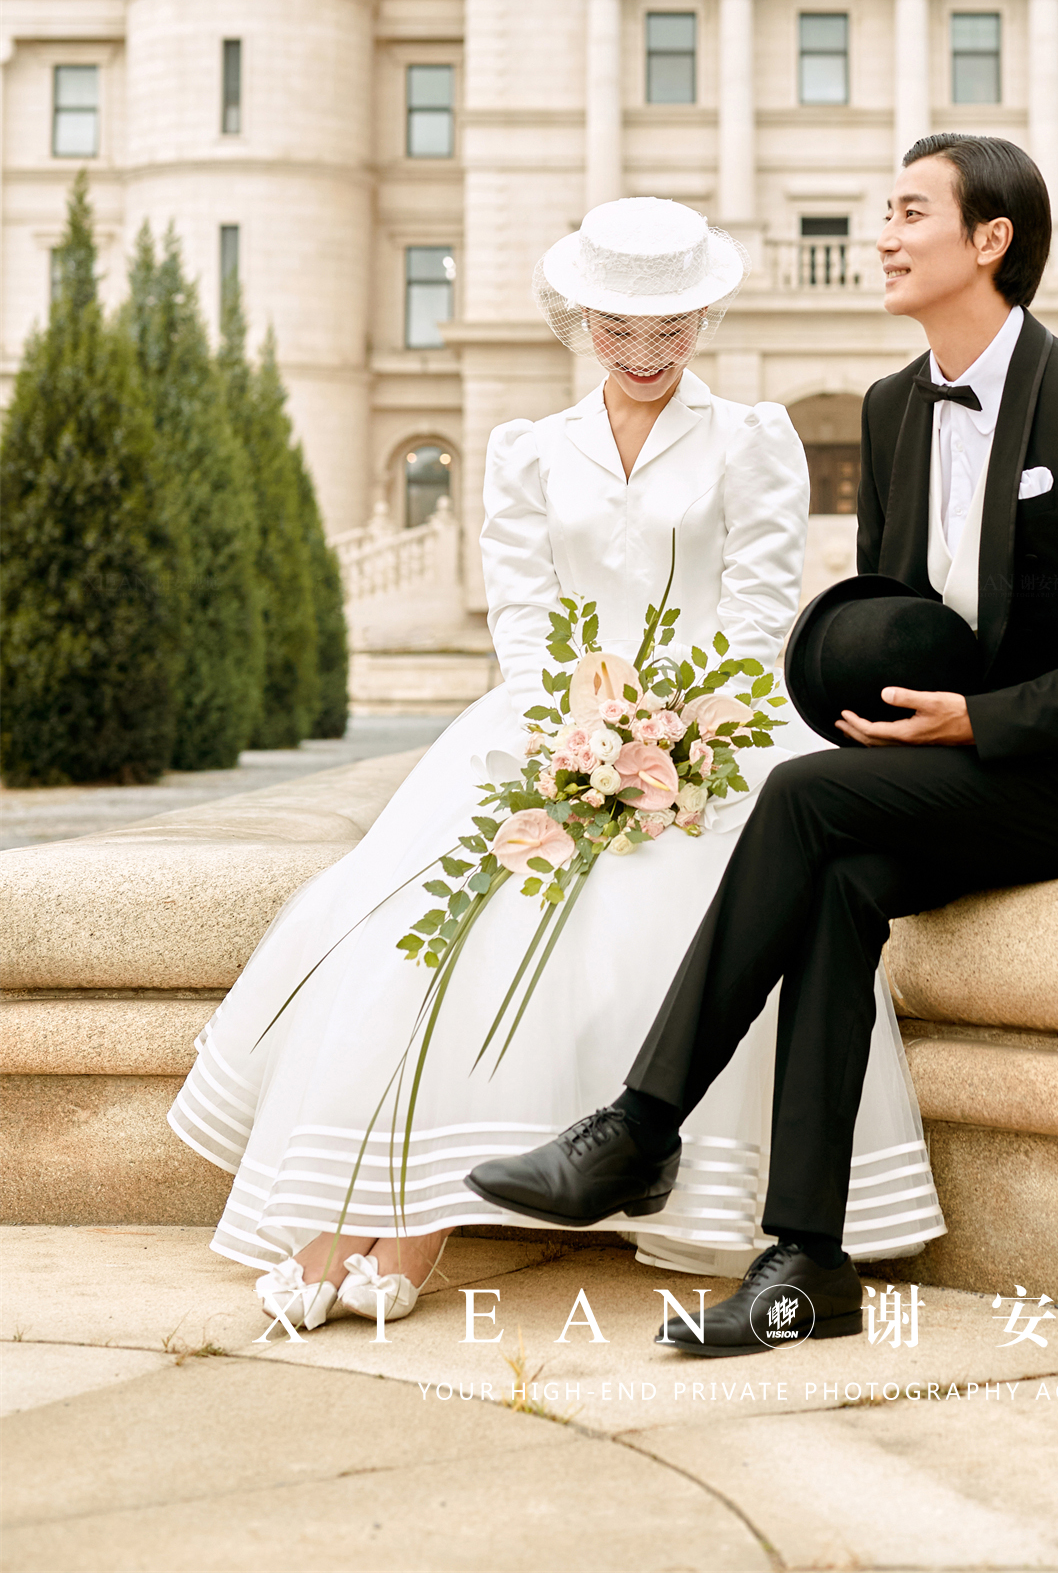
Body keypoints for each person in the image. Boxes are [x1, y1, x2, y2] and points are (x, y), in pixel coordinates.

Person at [468, 136, 1058, 1356]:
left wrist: (983, 719)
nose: (883, 237)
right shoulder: (893, 407)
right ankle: (808, 1261)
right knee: (836, 883)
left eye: (910, 213)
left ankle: (640, 1126)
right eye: (885, 214)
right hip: (951, 770)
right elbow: (895, 611)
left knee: (804, 804)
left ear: (989, 241)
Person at [169, 196, 943, 1335]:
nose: (644, 353)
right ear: (582, 319)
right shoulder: (527, 448)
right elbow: (526, 618)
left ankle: (419, 1229)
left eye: (668, 329)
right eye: (620, 329)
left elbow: (755, 613)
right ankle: (362, 1216)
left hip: (713, 735)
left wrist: (674, 733)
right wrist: (576, 733)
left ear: (703, 319)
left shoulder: (753, 437)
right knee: (424, 931)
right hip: (550, 724)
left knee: (654, 920)